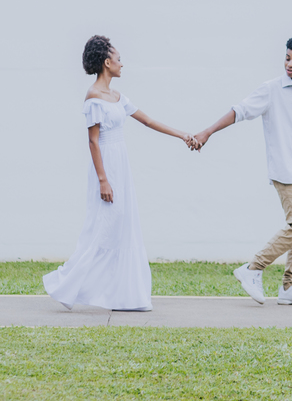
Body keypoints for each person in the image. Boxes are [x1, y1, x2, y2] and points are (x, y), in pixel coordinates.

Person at [44, 35, 197, 311]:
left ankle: (124, 295)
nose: (122, 64)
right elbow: (93, 141)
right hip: (106, 168)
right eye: (118, 59)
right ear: (107, 62)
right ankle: (66, 285)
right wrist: (103, 180)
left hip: (121, 166)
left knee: (122, 228)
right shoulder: (94, 97)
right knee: (103, 228)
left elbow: (148, 121)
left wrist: (182, 135)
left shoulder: (117, 97)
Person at [192, 36, 292, 305]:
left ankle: (290, 287)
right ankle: (253, 268)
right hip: (284, 171)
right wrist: (208, 132)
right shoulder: (271, 89)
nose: (290, 64)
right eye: (287, 58)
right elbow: (240, 111)